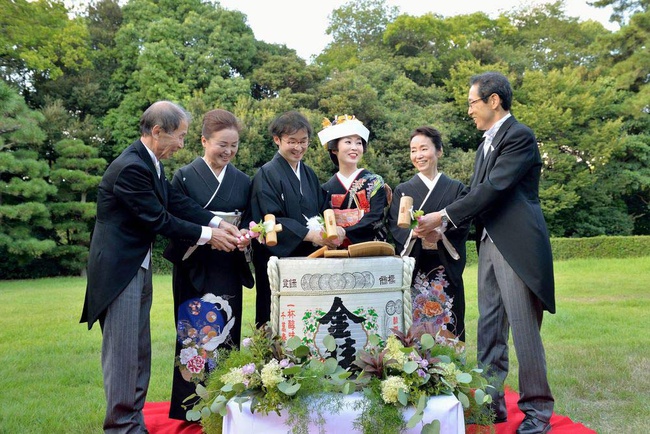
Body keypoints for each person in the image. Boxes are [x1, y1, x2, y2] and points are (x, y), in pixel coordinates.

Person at [80, 101, 242, 433]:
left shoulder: (150, 163)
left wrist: (217, 223)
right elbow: (158, 219)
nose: (182, 144)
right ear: (157, 131)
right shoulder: (131, 167)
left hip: (136, 267)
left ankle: (131, 421)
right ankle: (121, 427)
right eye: (180, 136)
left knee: (139, 351)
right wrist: (209, 235)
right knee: (124, 355)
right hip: (118, 273)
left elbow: (174, 201)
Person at [416, 72, 555, 434]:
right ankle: (490, 404)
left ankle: (538, 412)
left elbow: (494, 188)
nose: (469, 111)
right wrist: (443, 225)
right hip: (490, 244)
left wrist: (443, 215)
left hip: (517, 247)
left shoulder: (519, 137)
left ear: (494, 101)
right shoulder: (485, 144)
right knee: (490, 328)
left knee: (524, 331)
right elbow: (475, 198)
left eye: (472, 103)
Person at [162, 109, 254, 420]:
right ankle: (191, 407)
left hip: (226, 264)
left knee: (226, 331)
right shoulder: (184, 177)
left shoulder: (243, 180)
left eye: (234, 146)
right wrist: (209, 235)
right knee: (194, 334)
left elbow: (251, 219)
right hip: (194, 263)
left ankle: (225, 404)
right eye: (221, 144)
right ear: (204, 141)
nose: (228, 152)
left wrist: (245, 235)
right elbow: (176, 220)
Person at [249, 111, 345, 326]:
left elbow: (323, 209)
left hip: (311, 258)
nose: (298, 148)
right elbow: (268, 219)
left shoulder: (309, 173)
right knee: (279, 315)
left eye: (303, 142)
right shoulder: (266, 174)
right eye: (292, 141)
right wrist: (308, 234)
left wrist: (334, 230)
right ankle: (276, 358)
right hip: (280, 259)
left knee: (309, 316)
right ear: (277, 140)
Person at [387, 126, 469, 342]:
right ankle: (419, 370)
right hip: (416, 268)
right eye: (413, 150)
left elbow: (463, 225)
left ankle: (451, 371)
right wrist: (412, 233)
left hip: (445, 268)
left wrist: (441, 235)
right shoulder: (403, 190)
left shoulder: (456, 189)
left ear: (439, 151)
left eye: (424, 149)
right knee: (416, 327)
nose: (418, 155)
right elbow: (395, 227)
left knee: (448, 323)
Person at [318, 115, 388, 246]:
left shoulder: (374, 182)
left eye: (359, 142)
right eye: (348, 142)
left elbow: (376, 217)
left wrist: (345, 232)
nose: (354, 147)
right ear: (334, 148)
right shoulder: (325, 189)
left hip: (369, 248)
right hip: (336, 250)